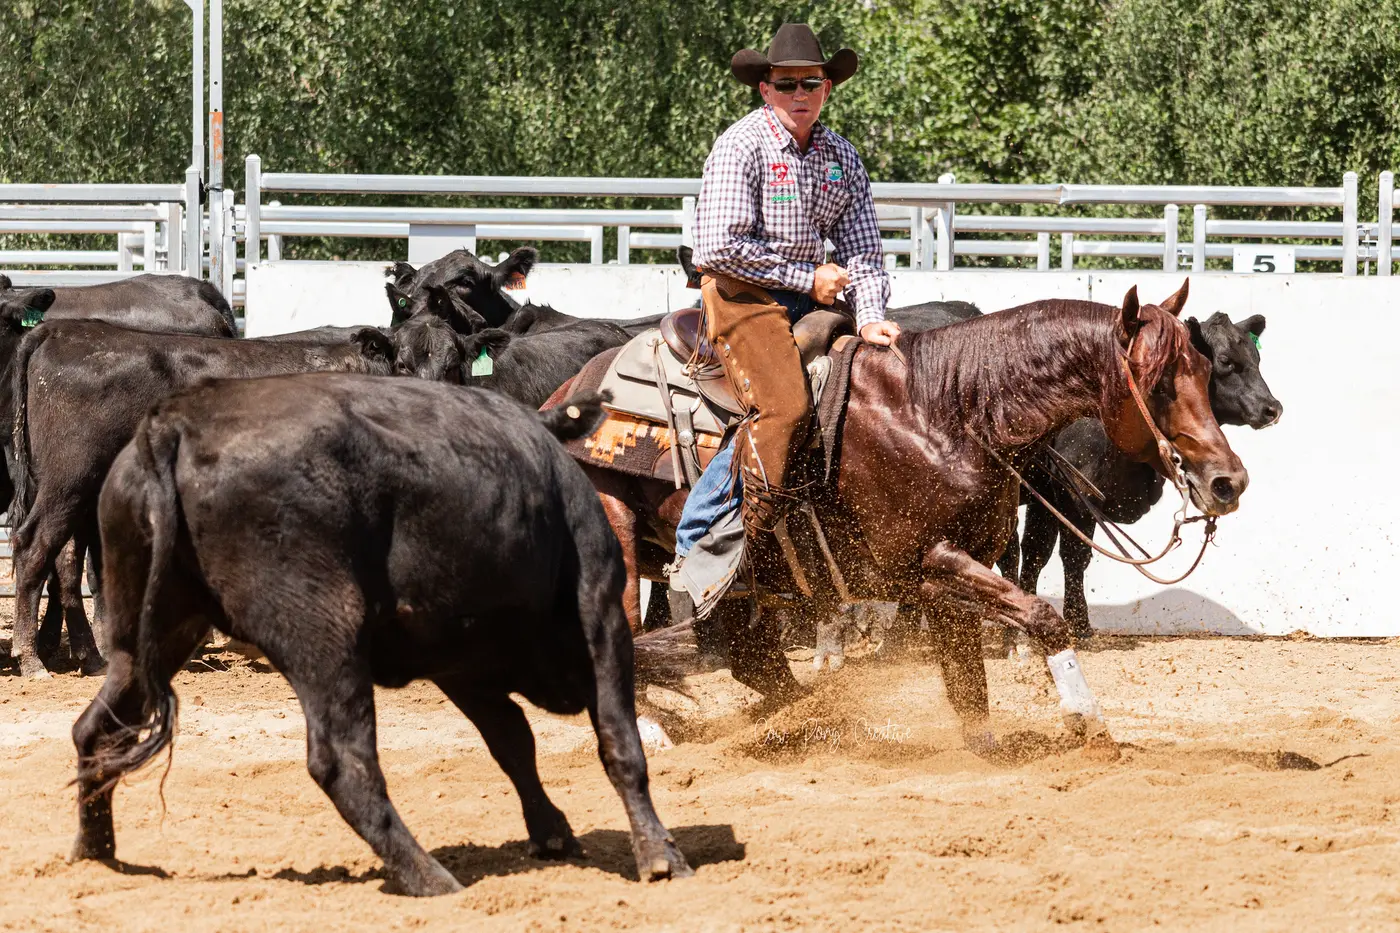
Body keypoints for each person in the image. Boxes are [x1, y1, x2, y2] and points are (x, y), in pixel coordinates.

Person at [669, 23, 899, 617]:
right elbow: (716, 248)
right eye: (787, 84)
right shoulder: (742, 146)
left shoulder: (840, 157)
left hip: (811, 294)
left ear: (827, 89)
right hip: (741, 296)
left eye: (811, 83)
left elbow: (864, 250)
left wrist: (870, 315)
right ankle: (698, 542)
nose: (801, 93)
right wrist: (806, 279)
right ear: (765, 89)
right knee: (784, 407)